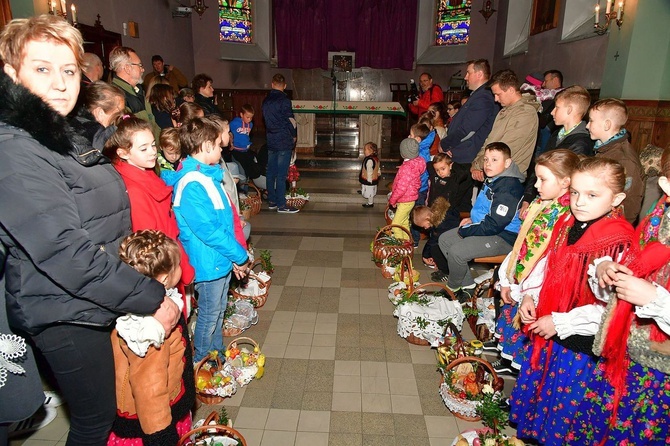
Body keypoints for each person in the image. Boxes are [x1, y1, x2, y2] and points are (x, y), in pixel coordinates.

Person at [0, 15, 178, 445]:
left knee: (108, 413)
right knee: (94, 422)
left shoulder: (65, 133)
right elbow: (65, 253)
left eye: (68, 70)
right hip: (61, 308)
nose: (60, 84)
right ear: (11, 73)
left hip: (91, 297)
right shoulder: (15, 147)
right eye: (42, 69)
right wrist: (151, 297)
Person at [510, 157, 635, 446]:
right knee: (544, 398)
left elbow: (612, 307)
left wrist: (560, 322)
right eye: (576, 192)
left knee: (565, 410)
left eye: (592, 195)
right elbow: (550, 265)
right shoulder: (568, 221)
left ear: (617, 198)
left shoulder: (617, 239)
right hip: (551, 328)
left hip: (581, 344)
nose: (579, 202)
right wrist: (531, 294)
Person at [565, 147, 670, 445]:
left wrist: (653, 299)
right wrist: (608, 269)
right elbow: (628, 272)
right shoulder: (657, 221)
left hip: (659, 373)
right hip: (625, 354)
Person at [165, 117, 250, 362]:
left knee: (218, 311)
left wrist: (233, 256)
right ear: (204, 147)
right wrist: (239, 255)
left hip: (218, 258)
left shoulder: (207, 178)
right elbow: (209, 231)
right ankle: (201, 361)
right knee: (209, 315)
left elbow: (225, 222)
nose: (222, 148)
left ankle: (216, 355)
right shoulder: (192, 184)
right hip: (207, 260)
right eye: (217, 144)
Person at [490, 149, 580, 376]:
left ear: (565, 182)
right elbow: (523, 243)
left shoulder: (565, 216)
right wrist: (507, 278)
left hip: (538, 287)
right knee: (511, 320)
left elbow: (545, 259)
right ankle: (509, 359)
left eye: (543, 179)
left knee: (527, 335)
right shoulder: (542, 204)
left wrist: (521, 287)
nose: (537, 186)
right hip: (521, 278)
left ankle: (517, 370)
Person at [108, 230, 195, 445]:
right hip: (154, 421)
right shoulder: (149, 328)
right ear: (165, 278)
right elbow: (149, 388)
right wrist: (161, 436)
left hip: (170, 401)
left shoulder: (150, 305)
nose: (182, 268)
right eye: (178, 264)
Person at [104, 116, 195, 316]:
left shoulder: (145, 174)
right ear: (123, 153)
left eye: (153, 145)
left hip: (171, 257)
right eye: (143, 148)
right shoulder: (135, 190)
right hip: (161, 268)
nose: (153, 151)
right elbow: (150, 248)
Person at [438, 142, 524, 302]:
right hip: (487, 227)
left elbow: (495, 224)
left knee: (457, 252)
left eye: (494, 160)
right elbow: (485, 208)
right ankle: (468, 285)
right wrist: (473, 219)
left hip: (504, 236)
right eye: (486, 159)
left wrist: (467, 230)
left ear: (507, 163)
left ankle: (452, 288)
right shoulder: (494, 178)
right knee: (444, 240)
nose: (488, 164)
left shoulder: (509, 188)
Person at [520, 85, 594, 213]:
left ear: (569, 110)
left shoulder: (581, 142)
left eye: (557, 107)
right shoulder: (557, 134)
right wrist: (528, 197)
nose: (552, 112)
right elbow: (541, 164)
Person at [470, 69, 540, 182]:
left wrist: (479, 165)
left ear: (511, 90)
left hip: (509, 176)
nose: (496, 99)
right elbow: (489, 141)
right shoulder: (506, 110)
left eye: (498, 94)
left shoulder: (525, 113)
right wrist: (477, 163)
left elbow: (507, 147)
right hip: (495, 171)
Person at [588, 98, 645, 224]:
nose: (587, 126)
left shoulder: (624, 159)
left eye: (591, 121)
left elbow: (630, 202)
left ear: (607, 125)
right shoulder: (604, 149)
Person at [417, 152, 472, 277]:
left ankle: (447, 270)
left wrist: (452, 162)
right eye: (438, 169)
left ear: (450, 166)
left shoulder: (455, 178)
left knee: (440, 239)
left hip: (448, 214)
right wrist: (442, 156)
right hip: (434, 211)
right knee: (435, 238)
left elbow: (466, 169)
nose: (440, 172)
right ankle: (442, 267)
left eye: (443, 168)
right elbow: (430, 165)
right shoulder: (434, 175)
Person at [440, 59, 499, 165]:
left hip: (466, 154)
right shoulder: (478, 95)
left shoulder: (483, 97)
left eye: (468, 73)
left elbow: (468, 129)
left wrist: (445, 144)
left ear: (479, 74)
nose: (465, 77)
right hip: (461, 151)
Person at [262, 73, 299, 213]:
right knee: (282, 174)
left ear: (272, 84)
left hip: (271, 139)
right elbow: (290, 120)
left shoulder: (265, 101)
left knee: (271, 172)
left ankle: (272, 201)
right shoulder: (284, 100)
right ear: (284, 86)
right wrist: (294, 135)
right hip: (283, 139)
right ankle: (282, 205)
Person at [110, 46, 160, 138]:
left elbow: (151, 123)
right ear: (127, 68)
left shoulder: (137, 90)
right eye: (140, 65)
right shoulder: (115, 96)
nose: (143, 69)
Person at [388, 138, 426, 240]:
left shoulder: (407, 168)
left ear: (403, 153)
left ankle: (400, 246)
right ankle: (407, 243)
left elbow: (401, 188)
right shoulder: (415, 164)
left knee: (395, 225)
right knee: (404, 223)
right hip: (409, 199)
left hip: (405, 199)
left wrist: (393, 199)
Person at [230, 104, 262, 181]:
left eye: (251, 117)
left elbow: (246, 136)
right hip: (237, 150)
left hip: (246, 150)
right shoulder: (235, 123)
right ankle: (242, 189)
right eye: (247, 117)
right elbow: (228, 132)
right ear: (241, 115)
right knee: (242, 173)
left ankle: (246, 186)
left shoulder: (250, 125)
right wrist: (230, 143)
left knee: (249, 171)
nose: (249, 119)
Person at [359, 141, 380, 208]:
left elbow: (370, 170)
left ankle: (370, 203)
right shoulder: (374, 158)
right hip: (370, 178)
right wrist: (379, 172)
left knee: (370, 192)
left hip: (370, 180)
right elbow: (378, 167)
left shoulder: (370, 160)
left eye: (365, 149)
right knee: (366, 187)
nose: (364, 151)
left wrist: (369, 179)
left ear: (372, 151)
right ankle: (363, 191)